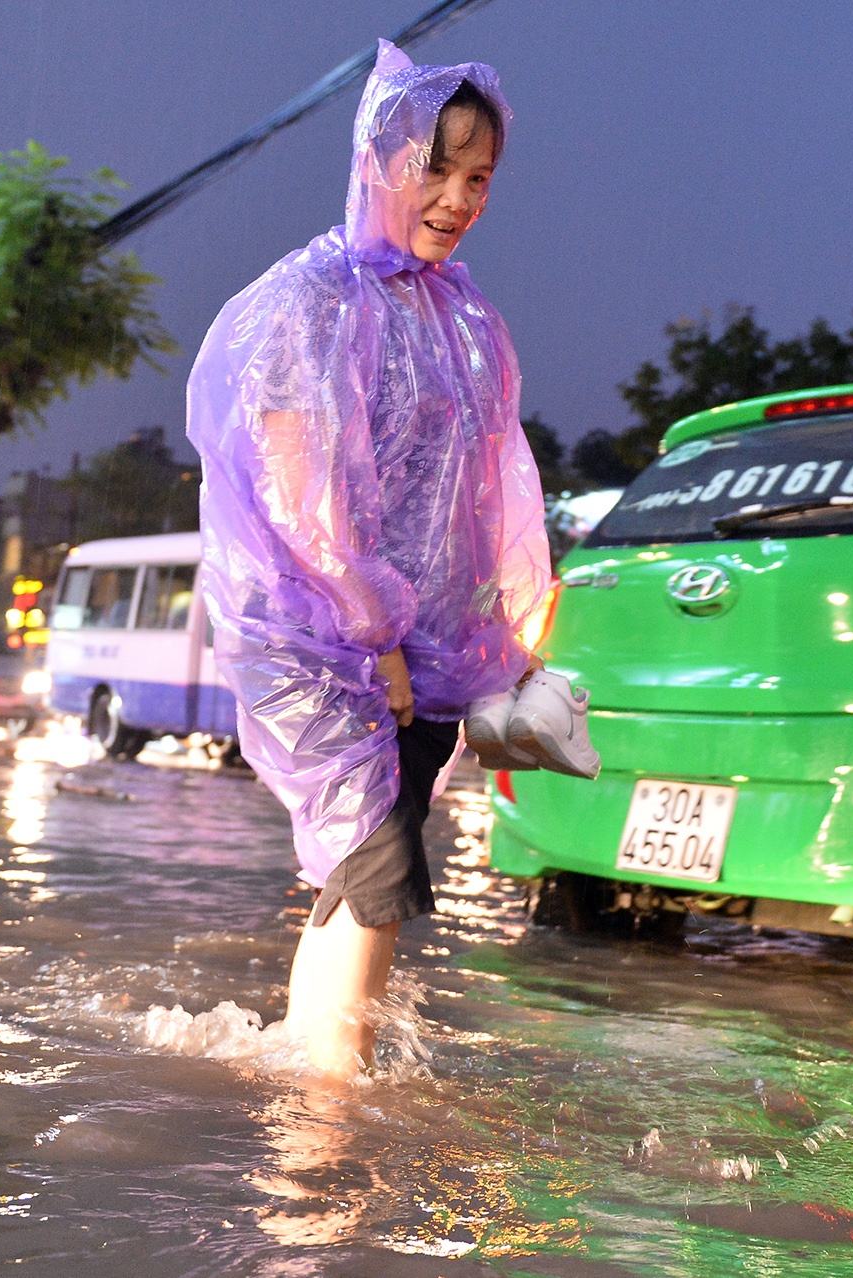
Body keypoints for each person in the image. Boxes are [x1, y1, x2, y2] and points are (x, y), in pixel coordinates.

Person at [186, 41, 551, 1079]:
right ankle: (325, 1138)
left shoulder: (461, 314)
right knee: (375, 869)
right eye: (433, 169)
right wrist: (373, 635)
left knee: (365, 879)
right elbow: (303, 502)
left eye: (478, 178)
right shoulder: (307, 300)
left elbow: (479, 498)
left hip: (422, 656)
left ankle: (314, 1084)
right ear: (380, 159)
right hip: (331, 645)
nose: (456, 198)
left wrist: (494, 648)